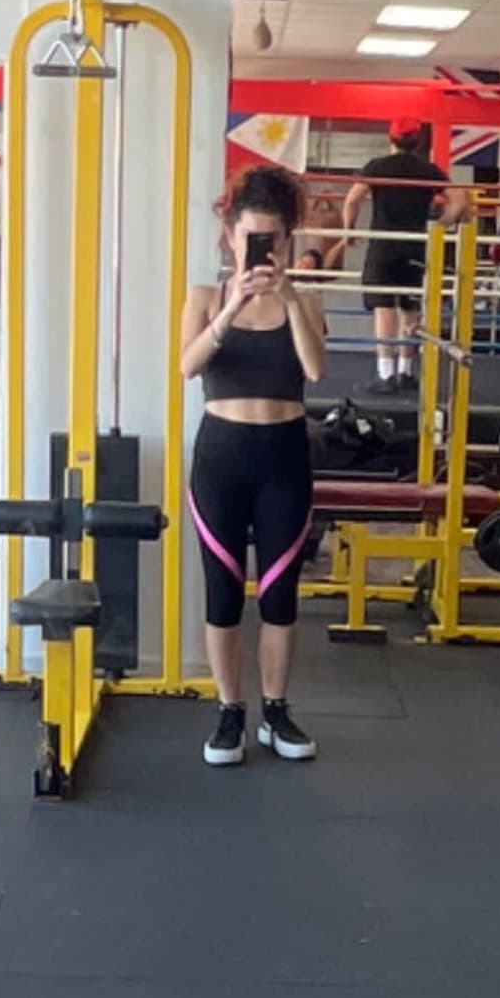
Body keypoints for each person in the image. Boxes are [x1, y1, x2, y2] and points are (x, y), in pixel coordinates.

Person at [182, 161, 329, 767]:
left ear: (287, 242)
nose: (260, 250)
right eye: (250, 239)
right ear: (231, 237)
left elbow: (315, 371)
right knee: (221, 592)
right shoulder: (205, 295)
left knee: (280, 595)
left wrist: (289, 297)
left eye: (272, 239)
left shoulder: (307, 299)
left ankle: (275, 711)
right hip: (221, 455)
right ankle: (229, 713)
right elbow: (188, 365)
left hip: (284, 456)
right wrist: (231, 307)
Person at [358, 121, 438, 387]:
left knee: (384, 308)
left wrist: (348, 232)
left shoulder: (377, 166)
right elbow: (461, 199)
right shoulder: (427, 170)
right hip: (414, 243)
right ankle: (405, 370)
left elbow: (352, 198)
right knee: (410, 308)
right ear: (417, 141)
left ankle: (386, 373)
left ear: (390, 137)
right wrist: (442, 225)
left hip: (383, 244)